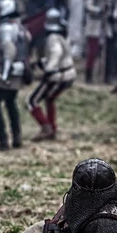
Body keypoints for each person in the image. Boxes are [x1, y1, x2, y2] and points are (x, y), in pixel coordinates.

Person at [27, 8, 76, 141]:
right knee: (49, 98)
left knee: (32, 101)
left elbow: (56, 54)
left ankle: (46, 127)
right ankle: (52, 128)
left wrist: (48, 69)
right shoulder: (62, 36)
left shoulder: (52, 38)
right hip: (68, 73)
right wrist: (39, 64)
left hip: (58, 76)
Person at [0, 0, 28, 151]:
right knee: (11, 103)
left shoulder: (6, 28)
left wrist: (4, 75)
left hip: (9, 72)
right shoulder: (20, 27)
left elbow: (9, 51)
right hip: (19, 70)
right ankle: (17, 138)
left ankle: (3, 141)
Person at [84, 0, 117, 84]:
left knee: (108, 53)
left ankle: (107, 76)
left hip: (107, 26)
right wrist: (99, 10)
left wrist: (113, 15)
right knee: (93, 52)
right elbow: (88, 5)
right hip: (95, 25)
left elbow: (116, 8)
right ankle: (89, 76)